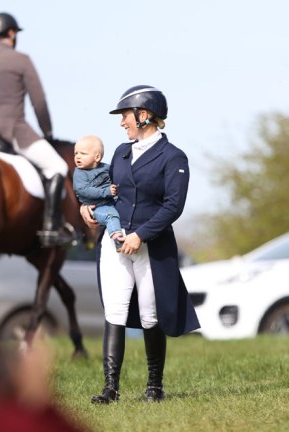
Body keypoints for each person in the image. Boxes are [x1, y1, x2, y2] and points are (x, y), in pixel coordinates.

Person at [81, 85, 200, 404]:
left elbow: (173, 206)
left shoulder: (173, 157)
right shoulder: (119, 153)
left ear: (143, 115)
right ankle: (110, 388)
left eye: (125, 116)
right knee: (115, 311)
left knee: (150, 315)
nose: (121, 122)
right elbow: (105, 190)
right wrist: (88, 208)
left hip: (151, 247)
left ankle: (154, 387)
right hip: (115, 243)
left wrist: (140, 235)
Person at [0, 12, 70, 247]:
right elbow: (39, 101)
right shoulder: (21, 60)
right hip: (12, 130)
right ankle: (50, 228)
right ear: (12, 33)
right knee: (58, 166)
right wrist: (47, 133)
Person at [73, 135, 125, 251]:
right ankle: (118, 239)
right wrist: (106, 191)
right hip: (96, 207)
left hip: (109, 202)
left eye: (83, 153)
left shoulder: (105, 168)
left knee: (118, 211)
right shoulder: (79, 173)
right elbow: (84, 190)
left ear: (97, 157)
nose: (78, 157)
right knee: (111, 216)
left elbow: (117, 175)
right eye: (76, 153)